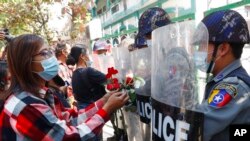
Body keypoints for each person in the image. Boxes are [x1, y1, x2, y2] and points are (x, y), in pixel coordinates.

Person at [0, 34, 129, 140]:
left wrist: (103, 102)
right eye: (44, 53)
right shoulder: (26, 105)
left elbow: (69, 120)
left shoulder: (42, 95)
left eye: (50, 52)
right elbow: (68, 137)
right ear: (26, 62)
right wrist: (107, 109)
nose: (52, 58)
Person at [196, 10, 250, 141]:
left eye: (202, 45)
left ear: (223, 49)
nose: (198, 52)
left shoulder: (232, 87)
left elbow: (197, 127)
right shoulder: (221, 78)